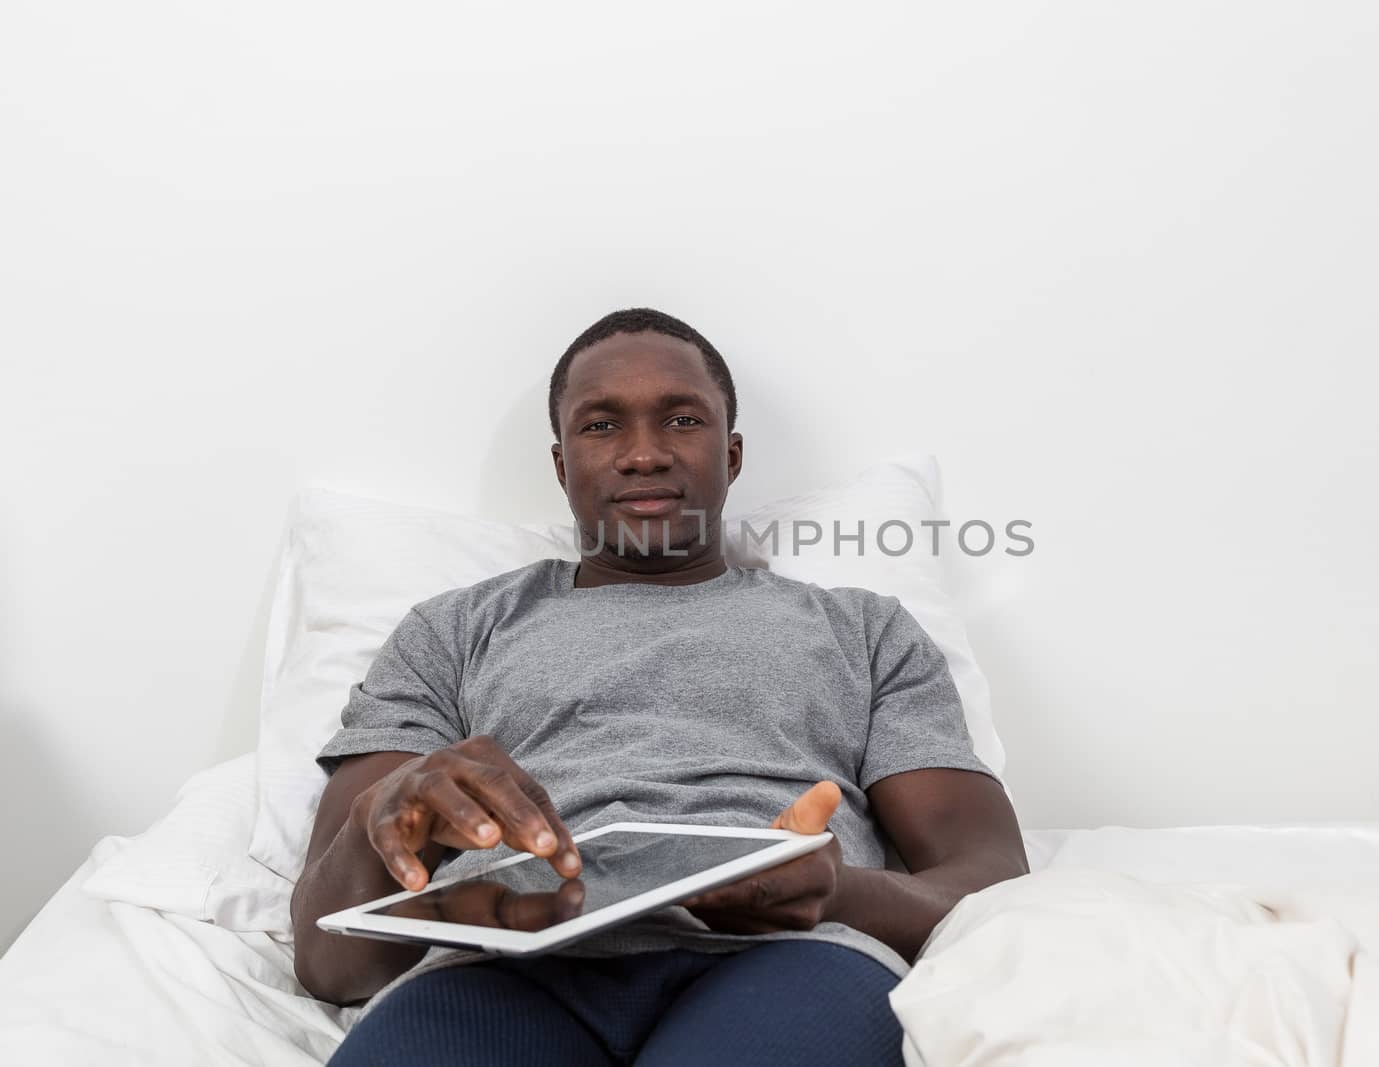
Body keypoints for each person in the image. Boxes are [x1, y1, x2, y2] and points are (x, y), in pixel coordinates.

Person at [289, 308, 1029, 1066]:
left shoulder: (864, 631)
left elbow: (990, 880)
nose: (643, 454)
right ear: (560, 463)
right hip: (501, 971)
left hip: (788, 956)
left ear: (731, 454)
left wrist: (833, 891)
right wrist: (390, 814)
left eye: (681, 418)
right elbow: (328, 963)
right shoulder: (448, 633)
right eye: (602, 426)